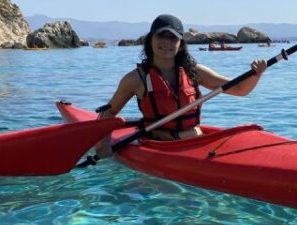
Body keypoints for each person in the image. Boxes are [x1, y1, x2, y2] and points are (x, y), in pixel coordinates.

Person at [95, 14, 267, 157]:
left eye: (172, 38)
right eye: (161, 36)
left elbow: (239, 89)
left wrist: (256, 74)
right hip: (158, 146)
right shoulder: (135, 79)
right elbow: (109, 113)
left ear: (180, 44)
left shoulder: (194, 72)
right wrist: (104, 143)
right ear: (150, 39)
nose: (166, 43)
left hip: (196, 144)